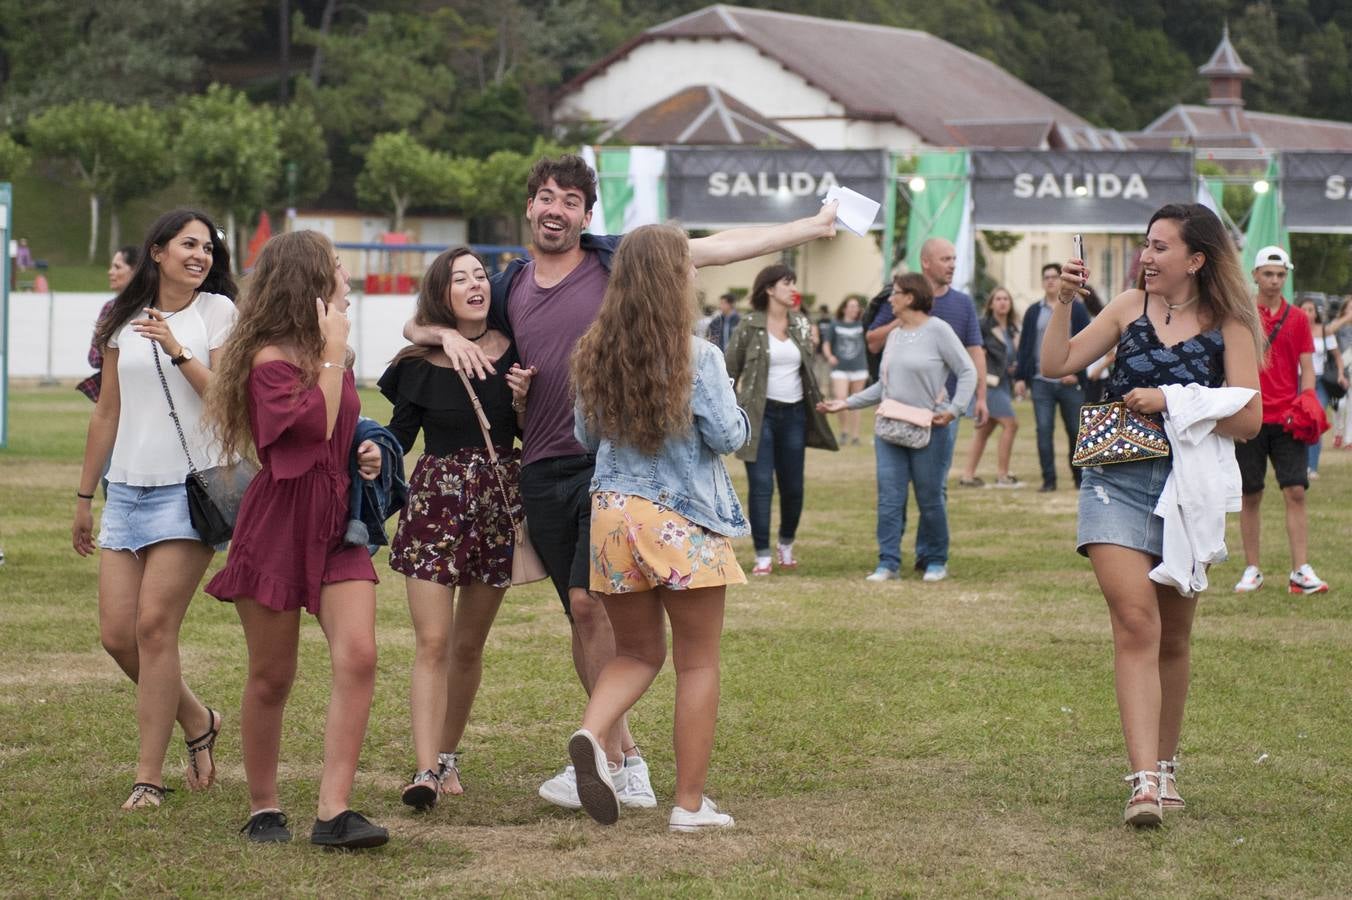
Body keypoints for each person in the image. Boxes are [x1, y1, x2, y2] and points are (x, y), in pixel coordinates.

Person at [402, 154, 837, 813]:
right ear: (530, 206)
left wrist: (810, 225)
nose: (557, 209)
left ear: (586, 214)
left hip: (605, 468)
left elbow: (715, 249)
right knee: (582, 614)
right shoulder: (510, 283)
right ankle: (618, 755)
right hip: (545, 465)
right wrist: (433, 330)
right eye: (547, 196)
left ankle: (616, 756)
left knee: (592, 605)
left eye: (571, 200)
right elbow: (434, 314)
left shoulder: (614, 259)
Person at [1040, 202, 1262, 826]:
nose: (1147, 256)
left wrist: (1171, 399)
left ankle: (1165, 766)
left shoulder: (1230, 325)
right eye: (1146, 244)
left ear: (1196, 259)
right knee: (1136, 622)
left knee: (1175, 635)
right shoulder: (1126, 308)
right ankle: (1141, 781)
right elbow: (1057, 364)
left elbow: (1248, 418)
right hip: (1114, 480)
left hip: (1186, 490)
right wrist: (1062, 300)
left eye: (1161, 247)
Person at [204, 231, 389, 848]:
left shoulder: (332, 352)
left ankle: (334, 812)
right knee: (272, 675)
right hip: (279, 522)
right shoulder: (268, 360)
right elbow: (310, 427)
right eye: (337, 268)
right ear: (310, 281)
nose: (347, 278)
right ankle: (263, 806)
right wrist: (334, 356)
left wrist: (362, 449)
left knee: (359, 655)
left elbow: (338, 426)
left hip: (338, 520)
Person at [566, 224, 749, 833]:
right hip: (680, 521)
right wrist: (737, 406)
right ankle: (689, 806)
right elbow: (728, 437)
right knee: (697, 663)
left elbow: (584, 438)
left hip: (612, 517)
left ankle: (593, 735)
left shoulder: (593, 348)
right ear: (676, 278)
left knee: (638, 652)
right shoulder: (699, 355)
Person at [70, 209, 237, 810]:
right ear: (158, 251)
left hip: (189, 492)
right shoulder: (120, 319)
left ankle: (148, 776)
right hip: (127, 488)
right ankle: (198, 718)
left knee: (154, 627)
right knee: (118, 636)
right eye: (189, 245)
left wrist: (177, 346)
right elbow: (107, 411)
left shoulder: (218, 313)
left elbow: (228, 401)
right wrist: (85, 497)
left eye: (209, 249)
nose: (201, 256)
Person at [378, 247, 535, 809]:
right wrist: (374, 454)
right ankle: (423, 771)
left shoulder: (518, 349)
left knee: (467, 645)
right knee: (432, 642)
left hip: (495, 507)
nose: (474, 285)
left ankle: (447, 757)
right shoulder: (416, 365)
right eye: (459, 278)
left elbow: (528, 432)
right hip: (434, 510)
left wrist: (520, 405)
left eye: (479, 276)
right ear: (441, 294)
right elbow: (398, 436)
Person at [821, 273, 975, 582]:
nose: (890, 298)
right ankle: (888, 562)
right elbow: (884, 386)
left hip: (930, 428)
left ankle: (935, 560)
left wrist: (954, 410)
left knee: (930, 497)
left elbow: (967, 370)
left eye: (896, 293)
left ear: (911, 297)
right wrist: (847, 403)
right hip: (889, 428)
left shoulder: (939, 331)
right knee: (889, 498)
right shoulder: (894, 335)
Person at [866, 238, 987, 577]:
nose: (952, 264)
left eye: (954, 258)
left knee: (932, 491)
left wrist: (974, 401)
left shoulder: (961, 305)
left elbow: (974, 354)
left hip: (939, 416)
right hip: (897, 412)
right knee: (892, 494)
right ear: (926, 263)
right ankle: (889, 560)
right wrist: (905, 319)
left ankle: (930, 556)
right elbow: (872, 342)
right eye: (945, 259)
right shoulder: (896, 308)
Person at [725, 264, 839, 576]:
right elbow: (728, 370)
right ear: (769, 289)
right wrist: (728, 409)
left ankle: (786, 543)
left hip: (794, 415)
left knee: (793, 487)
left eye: (794, 283)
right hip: (759, 415)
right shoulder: (749, 325)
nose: (793, 289)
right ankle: (762, 554)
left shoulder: (801, 323)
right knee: (761, 486)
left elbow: (809, 371)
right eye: (787, 283)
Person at [1233, 247, 1329, 595]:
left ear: (1286, 276)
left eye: (1280, 274)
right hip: (1251, 416)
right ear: (1256, 275)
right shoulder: (1242, 315)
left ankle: (1300, 569)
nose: (1274, 280)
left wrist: (1305, 401)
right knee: (1250, 494)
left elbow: (1307, 368)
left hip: (1288, 418)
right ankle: (1252, 568)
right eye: (1268, 274)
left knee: (1296, 491)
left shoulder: (1300, 319)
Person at [1016, 263, 1092, 493]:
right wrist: (1021, 377)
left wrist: (1076, 372)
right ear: (1042, 282)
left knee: (1075, 430)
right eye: (1046, 277)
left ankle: (1079, 479)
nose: (1050, 281)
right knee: (1044, 429)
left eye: (1054, 277)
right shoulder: (1033, 311)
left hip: (1069, 381)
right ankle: (1048, 480)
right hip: (1041, 381)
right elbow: (1025, 346)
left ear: (1061, 281)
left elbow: (1086, 342)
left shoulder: (1077, 309)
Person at [959, 286, 1022, 488]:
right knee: (1011, 425)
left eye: (1006, 299)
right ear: (991, 303)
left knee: (985, 430)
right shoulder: (983, 325)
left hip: (1004, 383)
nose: (1002, 302)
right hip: (988, 383)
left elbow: (1010, 356)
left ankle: (967, 476)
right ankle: (1002, 475)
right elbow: (973, 350)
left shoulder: (1012, 329)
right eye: (998, 299)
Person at [79, 246, 141, 403]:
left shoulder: (153, 308)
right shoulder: (109, 308)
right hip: (114, 394)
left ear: (135, 271)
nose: (110, 272)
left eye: (117, 267)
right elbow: (93, 357)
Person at [1300, 297, 1347, 478]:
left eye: (1311, 310)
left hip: (1319, 382)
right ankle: (1301, 465)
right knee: (1300, 422)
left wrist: (1341, 374)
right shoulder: (1295, 329)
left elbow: (1337, 357)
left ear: (1316, 313)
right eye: (1304, 309)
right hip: (1298, 379)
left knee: (1315, 419)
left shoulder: (1325, 331)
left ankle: (1312, 467)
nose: (1307, 314)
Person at [822, 295, 868, 445]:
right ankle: (844, 431)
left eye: (857, 306)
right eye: (852, 306)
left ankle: (855, 436)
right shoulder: (835, 324)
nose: (855, 309)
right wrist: (829, 356)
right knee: (840, 398)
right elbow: (826, 344)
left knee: (856, 402)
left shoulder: (862, 324)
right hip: (840, 368)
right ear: (844, 308)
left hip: (859, 367)